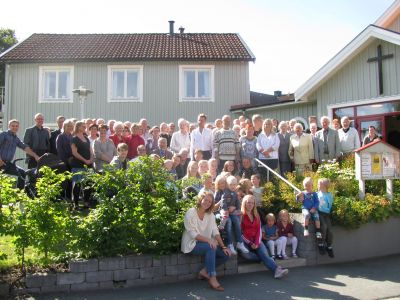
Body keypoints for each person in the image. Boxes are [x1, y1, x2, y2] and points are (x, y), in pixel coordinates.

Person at [181, 191, 232, 291]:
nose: (207, 203)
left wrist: (224, 247)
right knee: (210, 247)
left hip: (206, 243)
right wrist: (209, 240)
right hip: (191, 244)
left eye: (210, 201)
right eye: (206, 200)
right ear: (200, 199)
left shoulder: (210, 215)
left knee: (226, 254)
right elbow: (193, 234)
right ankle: (212, 277)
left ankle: (204, 271)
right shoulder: (191, 212)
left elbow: (215, 232)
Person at [240, 195, 289, 278]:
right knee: (246, 255)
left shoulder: (256, 215)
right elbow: (240, 233)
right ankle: (263, 259)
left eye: (252, 203)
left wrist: (256, 242)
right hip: (245, 241)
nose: (250, 204)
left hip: (256, 240)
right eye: (248, 202)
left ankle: (277, 270)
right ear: (244, 203)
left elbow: (259, 230)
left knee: (264, 254)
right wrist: (250, 243)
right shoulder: (240, 215)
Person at [0, 119, 40, 189]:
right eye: (13, 126)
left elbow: (25, 148)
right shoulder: (3, 135)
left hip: (6, 163)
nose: (15, 127)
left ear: (18, 127)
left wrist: (36, 156)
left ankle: (20, 194)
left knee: (22, 173)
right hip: (0, 161)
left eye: (16, 126)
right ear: (9, 126)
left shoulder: (16, 139)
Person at [215, 175, 248, 255]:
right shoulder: (222, 192)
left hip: (231, 211)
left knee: (236, 220)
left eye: (223, 183)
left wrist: (237, 209)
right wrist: (226, 210)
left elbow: (237, 202)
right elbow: (222, 203)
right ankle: (230, 244)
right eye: (220, 183)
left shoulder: (233, 192)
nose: (222, 185)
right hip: (222, 212)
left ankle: (240, 242)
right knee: (228, 221)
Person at [70, 121, 94, 209]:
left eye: (85, 126)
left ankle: (86, 202)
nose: (85, 127)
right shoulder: (74, 139)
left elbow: (90, 150)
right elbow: (74, 153)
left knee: (88, 184)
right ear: (78, 127)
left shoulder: (86, 138)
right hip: (78, 165)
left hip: (88, 165)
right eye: (83, 126)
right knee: (77, 184)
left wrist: (91, 159)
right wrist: (85, 160)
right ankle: (75, 204)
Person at [317, 178, 334, 258]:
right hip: (319, 213)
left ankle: (329, 246)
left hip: (326, 214)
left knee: (329, 230)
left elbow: (329, 205)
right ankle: (320, 243)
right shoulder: (317, 194)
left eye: (319, 184)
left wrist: (327, 211)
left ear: (324, 186)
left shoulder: (329, 195)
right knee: (323, 227)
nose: (318, 185)